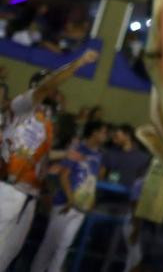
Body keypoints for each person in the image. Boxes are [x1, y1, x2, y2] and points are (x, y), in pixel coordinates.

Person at [0, 49, 99, 269]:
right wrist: (79, 63)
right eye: (50, 86)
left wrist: (63, 155)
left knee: (9, 254)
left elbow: (36, 155)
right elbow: (47, 86)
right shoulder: (22, 105)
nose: (55, 91)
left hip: (29, 195)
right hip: (8, 189)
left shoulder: (44, 119)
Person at [30, 119, 108, 272]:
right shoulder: (77, 150)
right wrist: (70, 199)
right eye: (104, 132)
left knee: (64, 247)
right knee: (50, 245)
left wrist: (91, 200)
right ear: (94, 132)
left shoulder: (99, 156)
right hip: (64, 203)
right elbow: (63, 175)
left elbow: (94, 180)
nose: (106, 136)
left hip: (81, 207)